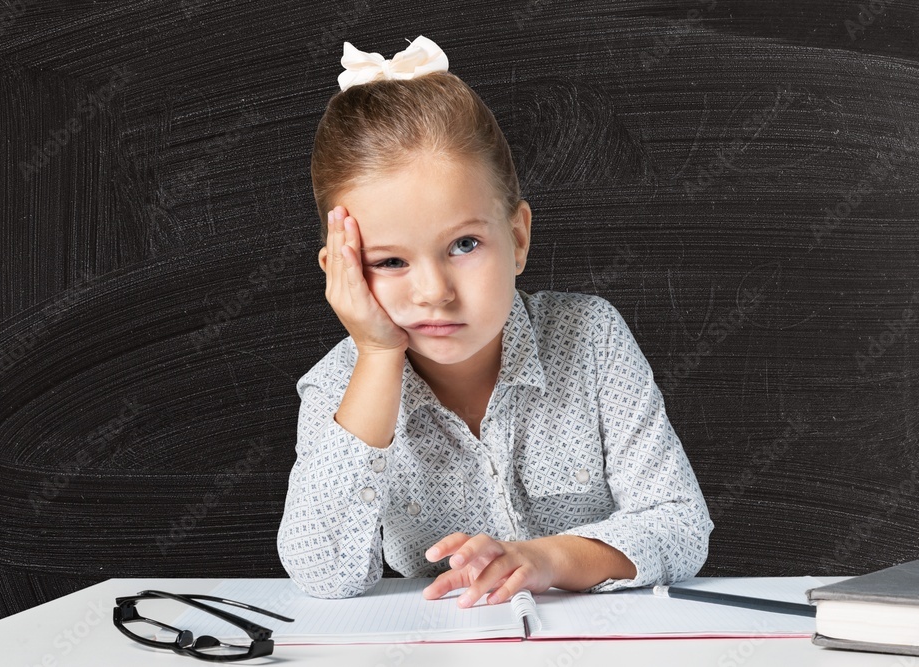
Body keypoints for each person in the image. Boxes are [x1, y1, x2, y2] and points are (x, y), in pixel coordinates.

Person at [278, 35, 713, 609]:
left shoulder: (591, 338)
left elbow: (682, 527)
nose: (433, 292)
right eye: (389, 262)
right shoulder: (338, 389)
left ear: (517, 237)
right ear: (342, 273)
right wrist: (379, 356)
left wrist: (544, 559)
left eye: (464, 244)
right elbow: (322, 574)